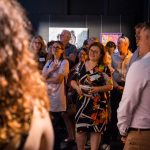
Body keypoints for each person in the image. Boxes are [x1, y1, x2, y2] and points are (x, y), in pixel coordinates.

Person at [0, 0, 54, 150]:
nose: (36, 45)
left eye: (38, 43)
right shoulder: (35, 110)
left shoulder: (34, 108)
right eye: (34, 43)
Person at [70, 42, 113, 150]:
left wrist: (98, 89)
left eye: (96, 52)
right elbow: (72, 81)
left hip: (97, 104)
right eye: (91, 50)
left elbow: (110, 86)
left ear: (101, 54)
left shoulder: (103, 67)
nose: (92, 53)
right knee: (80, 129)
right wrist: (77, 87)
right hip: (82, 103)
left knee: (96, 130)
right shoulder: (81, 65)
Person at [117, 22, 150, 150]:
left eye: (139, 37)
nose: (137, 42)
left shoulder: (142, 65)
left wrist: (123, 130)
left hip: (141, 133)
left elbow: (128, 102)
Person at [42, 41, 75, 146]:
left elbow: (58, 80)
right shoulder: (49, 63)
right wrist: (51, 70)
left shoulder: (64, 62)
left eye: (58, 47)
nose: (55, 49)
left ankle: (55, 145)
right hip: (47, 96)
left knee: (55, 124)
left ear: (62, 50)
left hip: (57, 96)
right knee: (49, 123)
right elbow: (42, 77)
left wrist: (45, 79)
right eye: (53, 47)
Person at [110, 35, 132, 142]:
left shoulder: (132, 57)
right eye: (117, 43)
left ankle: (125, 135)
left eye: (120, 43)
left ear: (126, 45)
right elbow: (109, 73)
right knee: (114, 112)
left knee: (127, 111)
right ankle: (113, 137)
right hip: (115, 86)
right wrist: (116, 86)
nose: (117, 45)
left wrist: (127, 87)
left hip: (128, 87)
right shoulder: (113, 56)